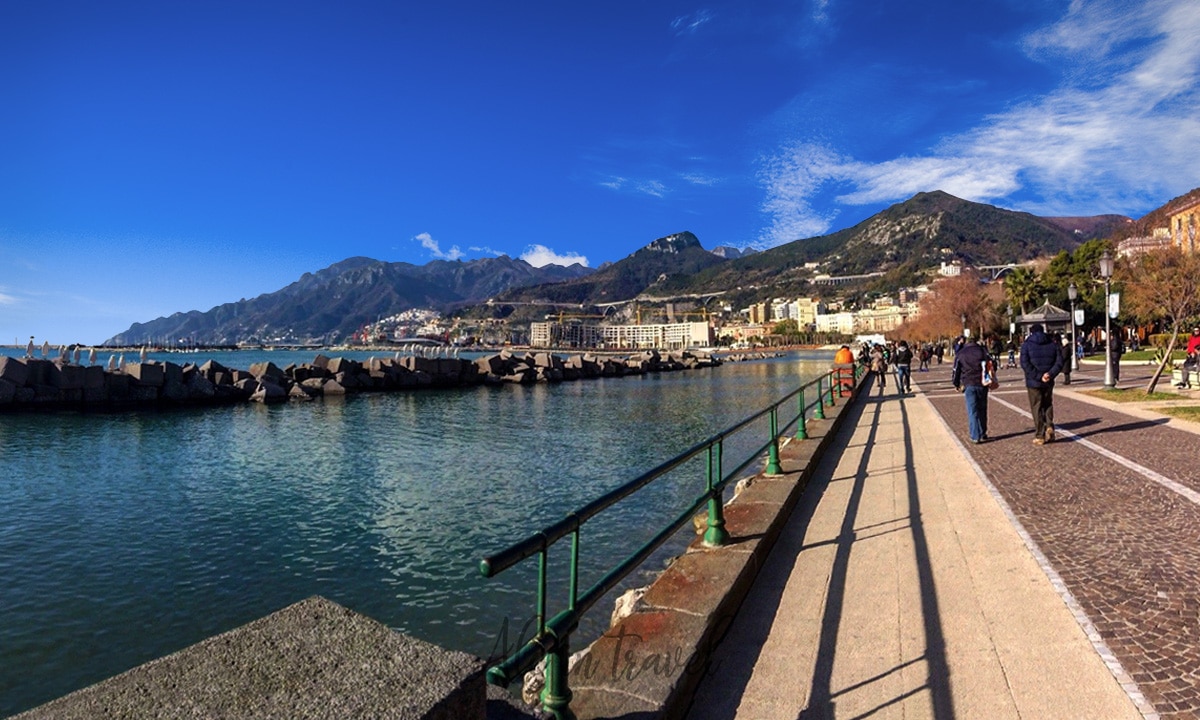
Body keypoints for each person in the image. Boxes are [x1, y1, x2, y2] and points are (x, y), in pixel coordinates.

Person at [1020, 323, 1064, 445]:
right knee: (1048, 403)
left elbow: (1025, 364)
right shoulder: (1052, 344)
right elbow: (1059, 361)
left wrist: (1039, 376)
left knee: (1036, 407)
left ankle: (1040, 434)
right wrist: (1049, 374)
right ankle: (1049, 426)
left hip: (1033, 381)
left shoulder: (1026, 345)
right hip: (1048, 380)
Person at [951, 335, 991, 443]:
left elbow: (956, 370)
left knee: (972, 410)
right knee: (982, 409)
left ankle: (975, 435)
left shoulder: (961, 353)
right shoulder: (982, 351)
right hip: (982, 382)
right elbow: (992, 364)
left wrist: (956, 383)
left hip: (969, 382)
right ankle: (982, 432)